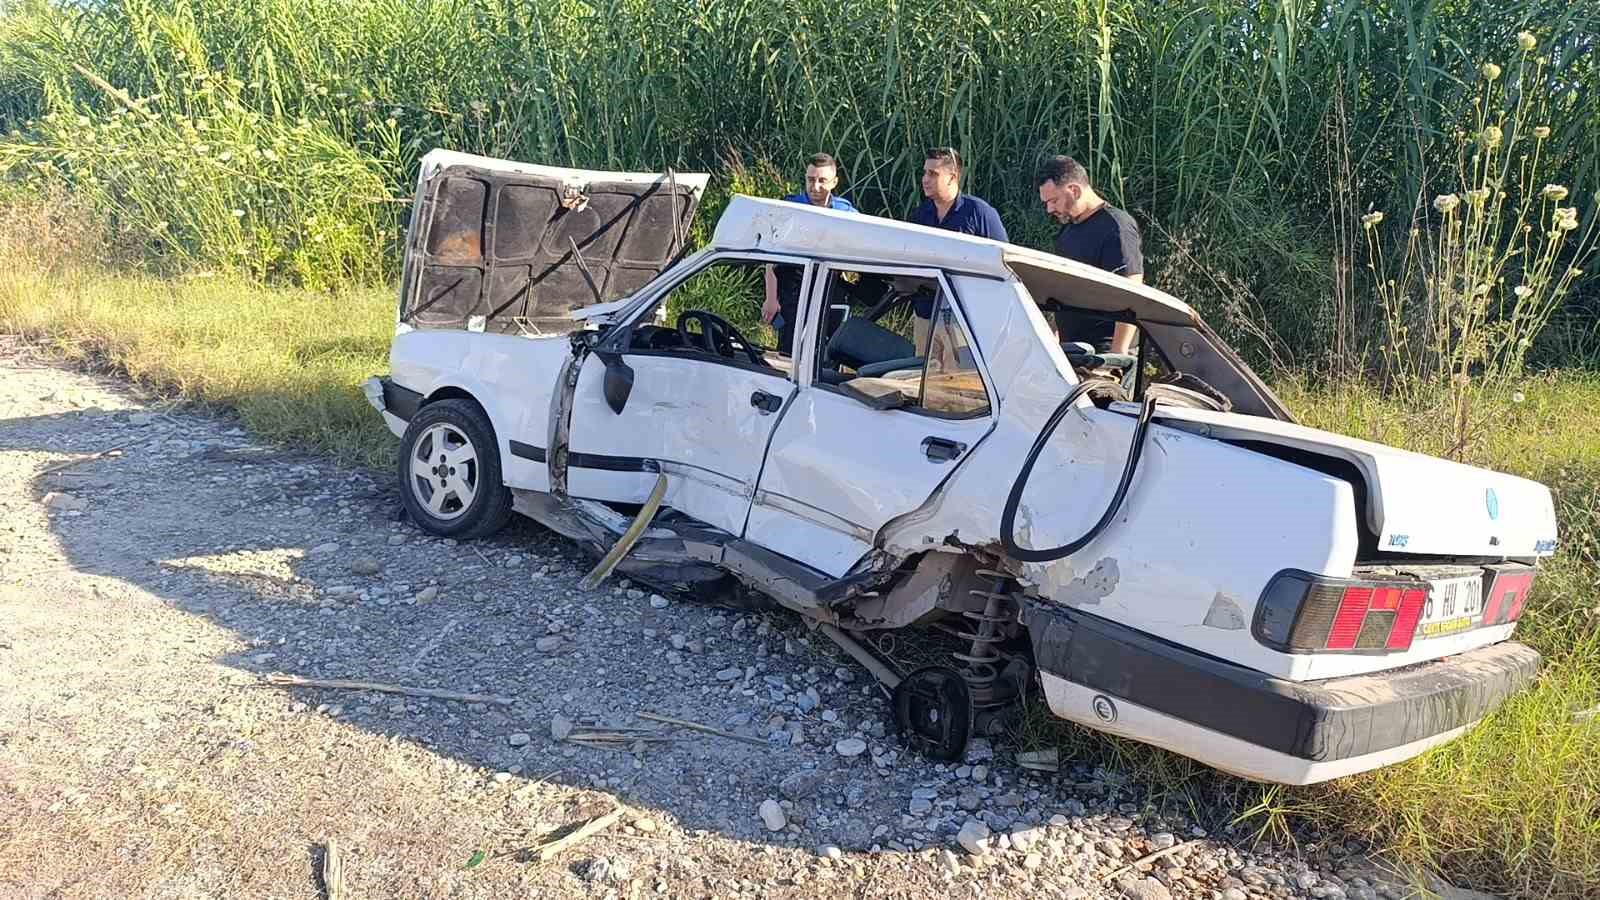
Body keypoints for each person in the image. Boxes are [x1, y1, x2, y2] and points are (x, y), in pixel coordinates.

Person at [1035, 154, 1143, 354]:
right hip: (1073, 351)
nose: (1049, 209)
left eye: (1054, 201)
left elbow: (1132, 294)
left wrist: (1117, 357)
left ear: (1074, 190)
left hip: (1105, 353)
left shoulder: (1116, 227)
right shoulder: (1067, 231)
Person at [907, 147, 1007, 350]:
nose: (925, 179)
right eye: (924, 172)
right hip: (926, 315)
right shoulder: (920, 215)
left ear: (953, 177)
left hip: (965, 318)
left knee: (961, 378)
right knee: (920, 377)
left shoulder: (979, 213)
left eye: (933, 174)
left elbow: (1004, 263)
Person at [761, 152, 858, 353]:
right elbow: (772, 257)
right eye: (810, 180)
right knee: (789, 350)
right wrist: (771, 298)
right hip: (794, 287)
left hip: (831, 287)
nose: (815, 187)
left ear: (834, 182)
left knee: (829, 351)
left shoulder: (846, 212)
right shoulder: (789, 208)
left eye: (822, 181)